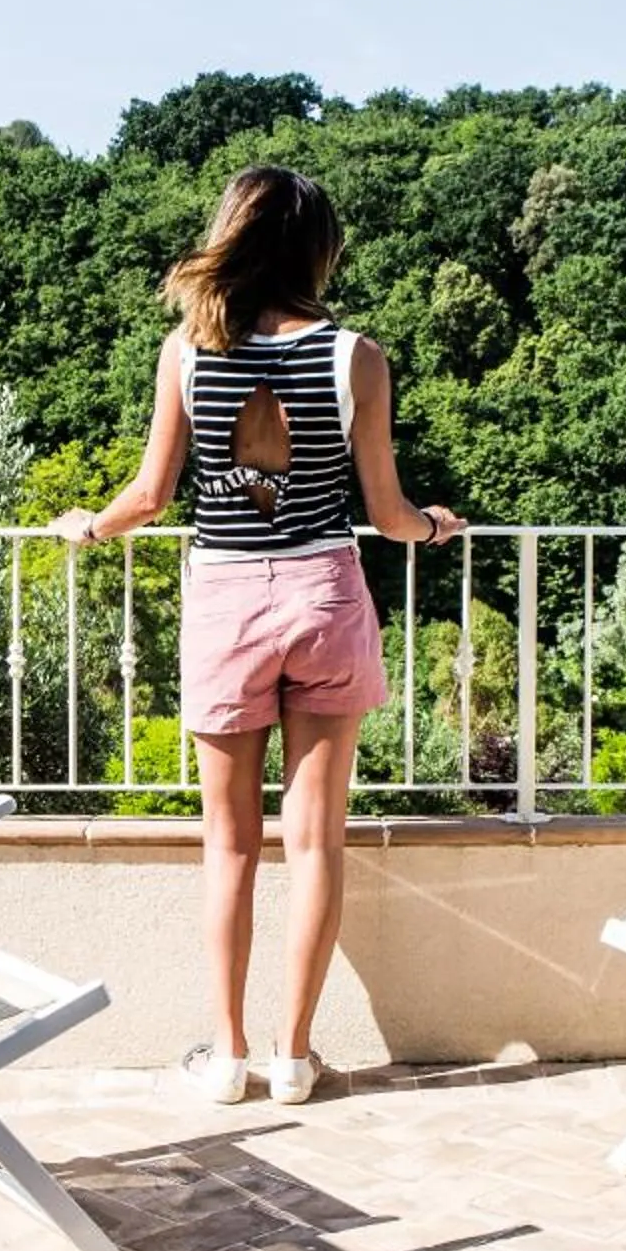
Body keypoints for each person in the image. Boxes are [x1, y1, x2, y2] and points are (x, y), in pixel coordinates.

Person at [51, 165, 465, 1104]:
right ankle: (294, 1057)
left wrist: (88, 525)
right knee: (315, 843)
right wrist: (439, 527)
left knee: (228, 846)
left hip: (229, 602)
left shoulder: (188, 353)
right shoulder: (354, 355)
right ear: (317, 251)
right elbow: (388, 512)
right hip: (324, 591)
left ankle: (229, 1056)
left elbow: (151, 497)